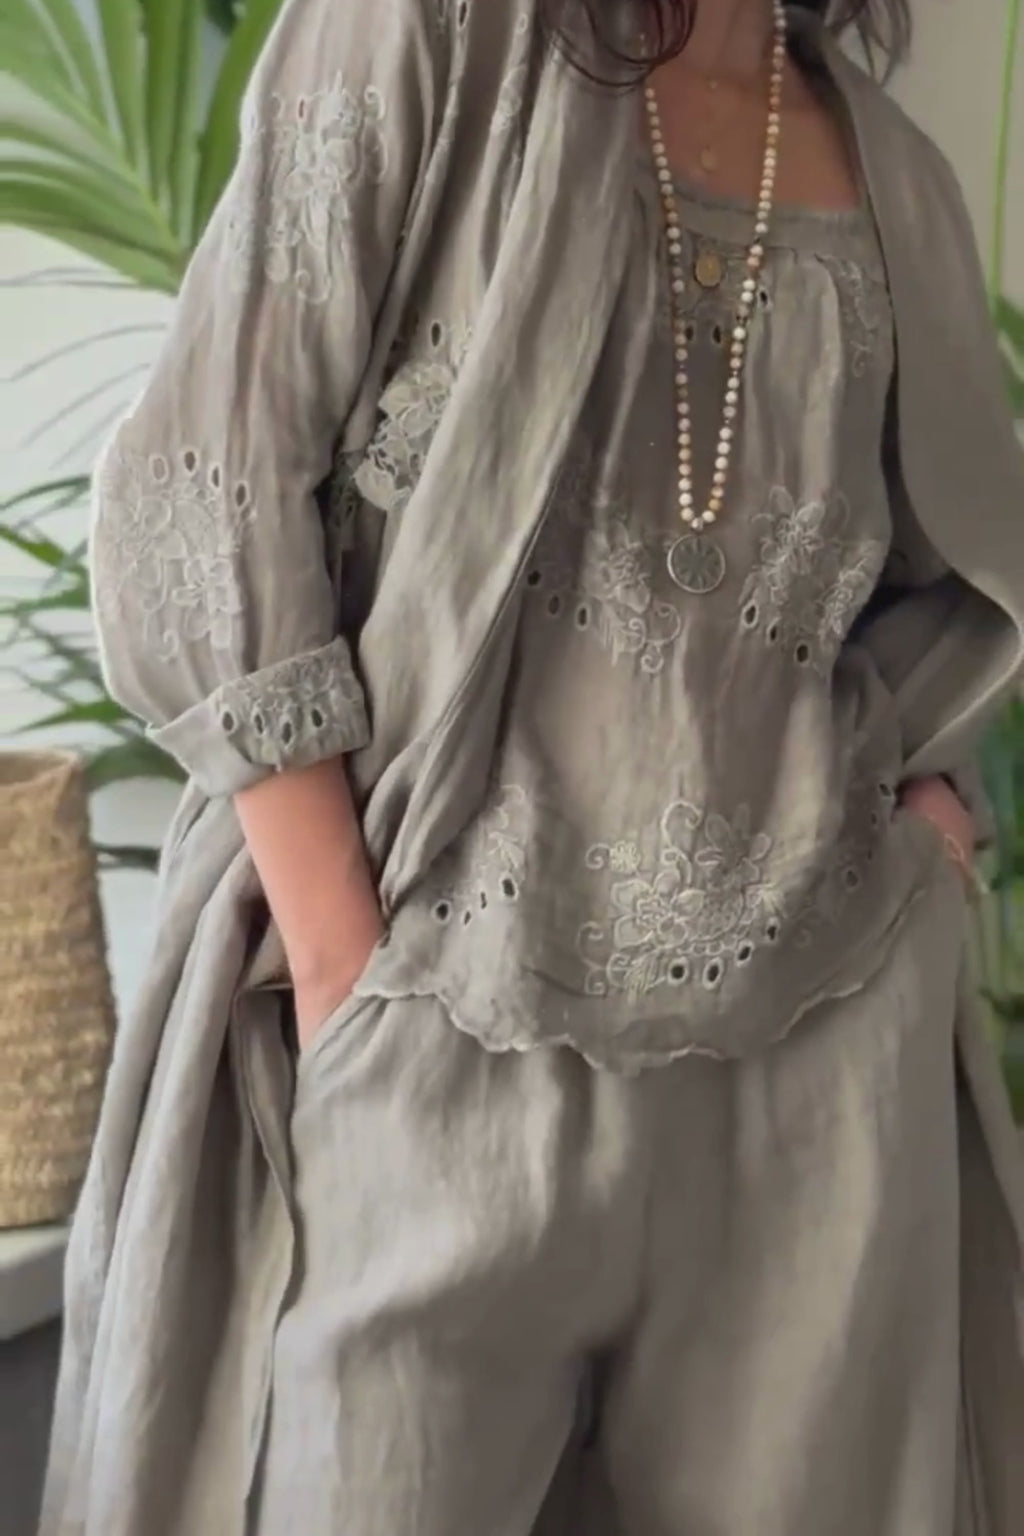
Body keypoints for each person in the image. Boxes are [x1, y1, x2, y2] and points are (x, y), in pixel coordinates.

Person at [40, 1, 1024, 1533]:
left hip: (816, 1072)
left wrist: (931, 812)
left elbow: (915, 578)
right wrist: (341, 963)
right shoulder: (428, 33)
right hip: (435, 1025)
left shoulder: (890, 165)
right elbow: (209, 476)